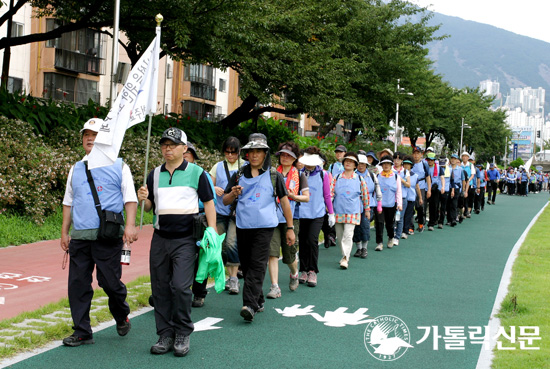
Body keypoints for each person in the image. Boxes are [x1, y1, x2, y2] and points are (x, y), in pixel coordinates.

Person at [137, 128, 216, 356]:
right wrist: (144, 199)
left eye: (172, 144)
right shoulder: (153, 174)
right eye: (164, 145)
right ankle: (165, 334)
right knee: (160, 288)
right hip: (160, 238)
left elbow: (209, 203)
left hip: (185, 240)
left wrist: (211, 233)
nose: (167, 148)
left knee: (181, 287)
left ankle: (182, 332)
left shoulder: (197, 173)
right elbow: (151, 207)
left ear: (184, 148)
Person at [60, 118, 138, 347]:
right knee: (78, 285)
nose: (90, 138)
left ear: (105, 139)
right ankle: (82, 330)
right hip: (81, 238)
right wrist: (64, 232)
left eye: (95, 134)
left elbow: (130, 198)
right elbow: (68, 202)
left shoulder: (119, 165)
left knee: (110, 283)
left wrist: (131, 226)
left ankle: (121, 313)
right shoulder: (76, 168)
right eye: (86, 134)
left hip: (108, 237)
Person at [223, 133, 295, 322]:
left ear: (265, 154)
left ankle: (249, 305)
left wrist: (289, 228)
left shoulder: (274, 175)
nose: (254, 155)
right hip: (243, 226)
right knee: (246, 266)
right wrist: (233, 193)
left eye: (259, 152)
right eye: (251, 152)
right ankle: (259, 299)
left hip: (265, 227)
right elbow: (224, 200)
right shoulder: (238, 175)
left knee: (256, 264)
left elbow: (285, 203)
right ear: (246, 154)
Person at [266, 142, 310, 299]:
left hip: (291, 219)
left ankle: (294, 272)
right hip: (272, 218)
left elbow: (306, 197)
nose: (285, 158)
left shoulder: (299, 175)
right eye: (282, 155)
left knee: (289, 254)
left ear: (294, 158)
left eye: (289, 156)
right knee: (272, 253)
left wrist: (293, 196)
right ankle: (275, 286)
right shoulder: (271, 173)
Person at [210, 137, 243, 295]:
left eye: (233, 152)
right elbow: (208, 183)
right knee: (221, 246)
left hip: (236, 213)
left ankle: (234, 278)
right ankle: (227, 275)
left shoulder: (243, 166)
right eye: (227, 152)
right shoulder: (218, 166)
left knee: (231, 243)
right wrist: (215, 187)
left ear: (239, 152)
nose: (230, 155)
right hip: (220, 211)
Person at [297, 147, 334, 287]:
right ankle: (303, 270)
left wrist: (331, 213)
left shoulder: (323, 175)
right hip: (301, 213)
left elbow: (327, 195)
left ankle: (312, 270)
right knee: (303, 241)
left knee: (312, 241)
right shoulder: (299, 173)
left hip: (317, 213)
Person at [331, 152, 369, 269]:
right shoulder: (336, 177)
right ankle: (344, 254)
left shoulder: (359, 178)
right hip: (338, 210)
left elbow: (365, 195)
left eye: (351, 161)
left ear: (355, 165)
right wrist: (329, 207)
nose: (348, 163)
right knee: (340, 236)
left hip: (353, 211)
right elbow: (331, 193)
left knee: (348, 235)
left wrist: (367, 209)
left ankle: (345, 258)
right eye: (346, 161)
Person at [353, 154, 381, 258]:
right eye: (359, 164)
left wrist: (379, 204)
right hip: (355, 205)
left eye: (363, 164)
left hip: (368, 206)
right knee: (356, 228)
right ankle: (358, 248)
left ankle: (364, 248)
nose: (361, 166)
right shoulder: (353, 175)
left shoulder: (372, 175)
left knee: (365, 226)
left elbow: (377, 189)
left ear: (366, 165)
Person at [374, 155, 402, 251]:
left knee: (390, 223)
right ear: (381, 165)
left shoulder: (395, 176)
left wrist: (399, 204)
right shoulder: (377, 176)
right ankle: (379, 242)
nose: (386, 165)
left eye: (388, 164)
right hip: (379, 204)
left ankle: (391, 237)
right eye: (384, 164)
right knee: (379, 223)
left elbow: (398, 191)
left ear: (391, 165)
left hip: (391, 204)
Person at [411, 146, 430, 234]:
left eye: (418, 153)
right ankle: (410, 226)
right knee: (411, 206)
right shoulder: (410, 164)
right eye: (414, 153)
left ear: (421, 154)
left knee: (420, 206)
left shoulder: (424, 164)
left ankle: (421, 223)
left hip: (421, 187)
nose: (416, 155)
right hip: (411, 187)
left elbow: (428, 177)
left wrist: (429, 189)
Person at [392, 152, 410, 245]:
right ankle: (391, 234)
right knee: (391, 218)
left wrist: (401, 180)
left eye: (398, 159)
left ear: (402, 160)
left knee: (400, 217)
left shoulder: (405, 171)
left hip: (402, 198)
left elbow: (408, 184)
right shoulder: (391, 170)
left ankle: (397, 236)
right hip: (391, 197)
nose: (396, 161)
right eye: (395, 159)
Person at [402, 156, 421, 238]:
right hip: (402, 197)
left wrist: (420, 197)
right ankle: (400, 229)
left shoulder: (415, 176)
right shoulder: (400, 174)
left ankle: (405, 231)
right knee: (401, 214)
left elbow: (417, 187)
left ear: (411, 165)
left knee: (408, 215)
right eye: (405, 164)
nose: (406, 166)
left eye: (408, 164)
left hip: (411, 198)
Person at [426, 152, 445, 231]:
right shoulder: (424, 167)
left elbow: (442, 178)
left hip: (435, 189)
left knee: (434, 206)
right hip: (425, 188)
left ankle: (431, 223)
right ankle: (422, 221)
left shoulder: (438, 167)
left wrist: (443, 187)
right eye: (429, 160)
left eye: (432, 160)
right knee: (422, 206)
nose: (430, 161)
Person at [448, 154, 466, 227]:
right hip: (448, 187)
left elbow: (463, 179)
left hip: (456, 187)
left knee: (454, 204)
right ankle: (449, 219)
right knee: (448, 204)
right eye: (452, 158)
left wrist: (463, 190)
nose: (453, 160)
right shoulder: (447, 168)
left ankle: (453, 219)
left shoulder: (460, 169)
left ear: (457, 160)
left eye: (454, 159)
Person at [437, 157, 450, 229]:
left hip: (445, 190)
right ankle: (435, 219)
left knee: (443, 207)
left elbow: (452, 180)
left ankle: (441, 222)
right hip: (437, 189)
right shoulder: (437, 168)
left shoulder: (449, 169)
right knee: (436, 206)